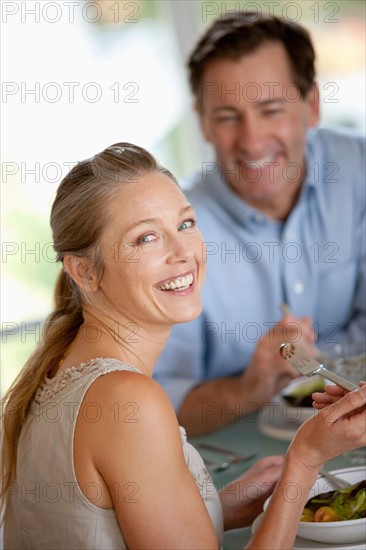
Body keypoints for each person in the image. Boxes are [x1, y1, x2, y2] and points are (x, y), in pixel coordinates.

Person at [1, 142, 365, 549]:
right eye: (146, 238)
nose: (183, 253)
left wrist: (213, 507)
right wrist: (305, 461)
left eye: (186, 224)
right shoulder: (127, 402)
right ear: (84, 272)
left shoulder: (59, 370)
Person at [154, 12, 366, 436]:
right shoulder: (171, 233)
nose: (251, 141)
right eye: (228, 116)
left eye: (270, 110)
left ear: (312, 106)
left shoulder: (360, 170)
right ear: (203, 122)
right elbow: (152, 404)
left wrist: (324, 359)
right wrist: (246, 390)